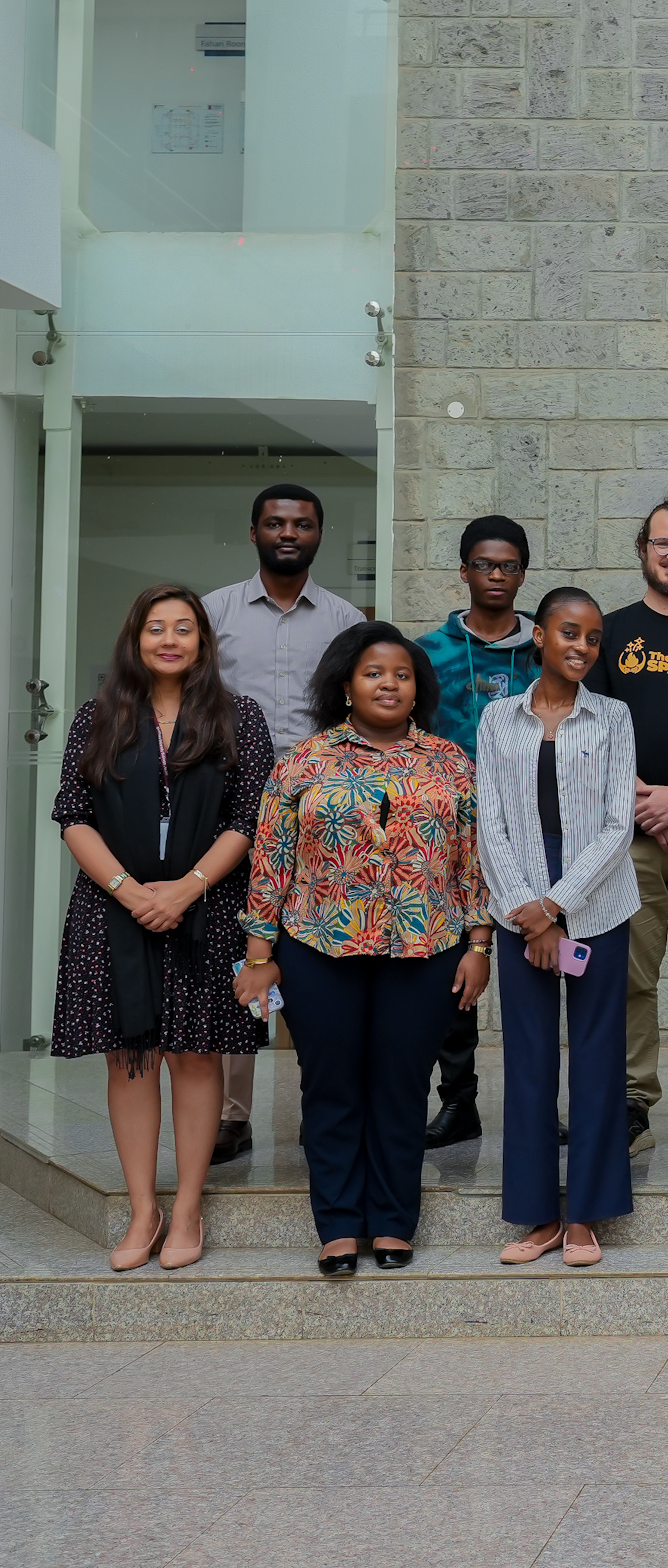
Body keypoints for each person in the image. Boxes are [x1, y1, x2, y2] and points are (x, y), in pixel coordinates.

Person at [235, 624, 491, 1277]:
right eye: (374, 672)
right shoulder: (303, 763)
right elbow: (270, 863)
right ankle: (340, 1226)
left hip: (426, 948)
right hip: (318, 948)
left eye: (402, 674)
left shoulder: (450, 764)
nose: (388, 683)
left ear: (417, 688)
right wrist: (259, 956)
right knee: (330, 1086)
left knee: (402, 1088)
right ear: (346, 683)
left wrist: (479, 943)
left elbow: (472, 863)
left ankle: (393, 1222)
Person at [51, 586, 275, 1271]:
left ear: (204, 642)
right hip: (111, 909)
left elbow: (250, 818)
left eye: (184, 628)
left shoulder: (239, 716)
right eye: (156, 628)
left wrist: (185, 888)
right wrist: (127, 890)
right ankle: (144, 1208)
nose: (170, 639)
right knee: (130, 1055)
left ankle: (186, 1210)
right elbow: (73, 813)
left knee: (196, 1053)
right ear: (136, 638)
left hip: (207, 903)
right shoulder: (99, 716)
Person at [475, 588, 639, 1268]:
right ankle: (539, 1215)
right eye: (569, 633)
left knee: (599, 1060)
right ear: (538, 636)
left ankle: (587, 1218)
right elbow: (491, 823)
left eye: (594, 639)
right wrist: (526, 908)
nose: (581, 647)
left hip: (595, 904)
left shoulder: (613, 717)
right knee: (530, 1061)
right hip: (517, 902)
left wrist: (558, 906)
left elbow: (616, 824)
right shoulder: (496, 718)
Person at [203, 482, 364, 1163]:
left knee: (321, 958)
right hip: (231, 808)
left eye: (302, 524)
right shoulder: (213, 613)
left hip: (324, 813)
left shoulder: (347, 620)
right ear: (254, 533)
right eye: (276, 523)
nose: (288, 533)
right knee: (240, 953)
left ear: (318, 534)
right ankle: (231, 1116)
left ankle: (318, 1109)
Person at [583, 497, 668, 1154]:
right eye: (663, 543)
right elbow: (586, 734)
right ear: (643, 548)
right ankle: (634, 1104)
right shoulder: (608, 634)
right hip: (627, 841)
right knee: (631, 980)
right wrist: (647, 801)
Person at [417, 513, 540, 1151]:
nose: (497, 575)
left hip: (532, 833)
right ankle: (458, 1101)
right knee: (453, 969)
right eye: (485, 564)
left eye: (510, 565)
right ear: (464, 570)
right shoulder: (426, 653)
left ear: (523, 572)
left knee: (535, 971)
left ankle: (535, 1105)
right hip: (448, 833)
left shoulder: (547, 650)